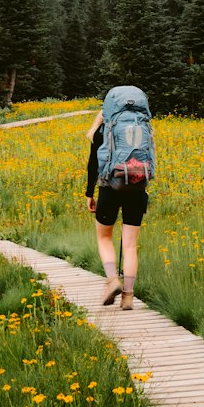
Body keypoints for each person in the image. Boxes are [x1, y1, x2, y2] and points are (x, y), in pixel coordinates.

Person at [84, 107, 149, 310]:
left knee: (104, 237)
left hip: (109, 189)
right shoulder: (143, 127)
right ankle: (128, 297)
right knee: (130, 245)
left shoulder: (103, 130)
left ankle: (112, 280)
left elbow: (93, 164)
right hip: (137, 187)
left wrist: (89, 193)